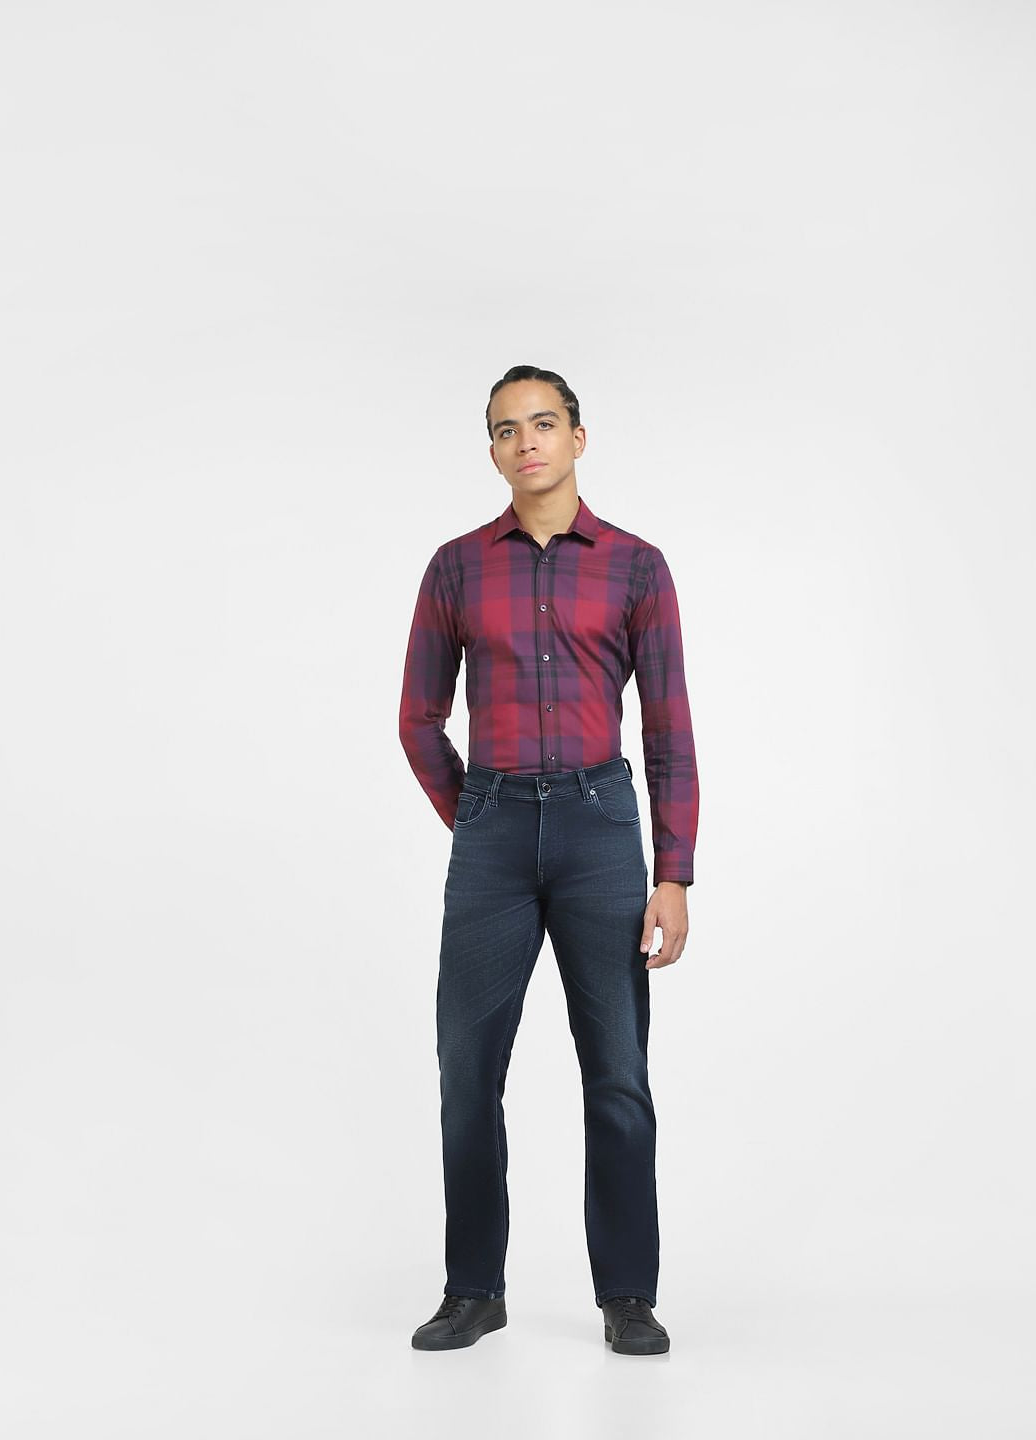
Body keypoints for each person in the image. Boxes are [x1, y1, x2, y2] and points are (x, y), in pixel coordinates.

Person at [398, 364, 699, 1355]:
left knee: (617, 1073)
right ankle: (473, 1291)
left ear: (577, 436)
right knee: (466, 1069)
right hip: (492, 831)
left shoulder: (637, 567)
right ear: (492, 451)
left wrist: (673, 871)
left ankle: (628, 1296)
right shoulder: (455, 568)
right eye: (504, 429)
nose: (524, 442)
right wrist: (476, 815)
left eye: (541, 423)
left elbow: (668, 729)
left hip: (598, 830)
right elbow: (418, 718)